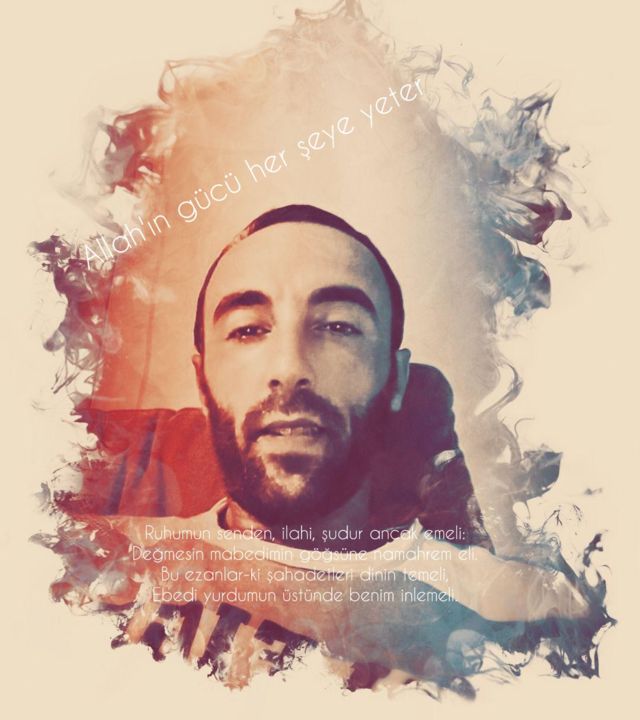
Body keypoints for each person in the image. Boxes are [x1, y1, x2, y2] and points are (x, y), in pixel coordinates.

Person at [73, 204, 592, 693]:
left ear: (396, 380)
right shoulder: (97, 564)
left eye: (339, 326)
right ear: (202, 383)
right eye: (248, 330)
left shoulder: (526, 614)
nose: (290, 367)